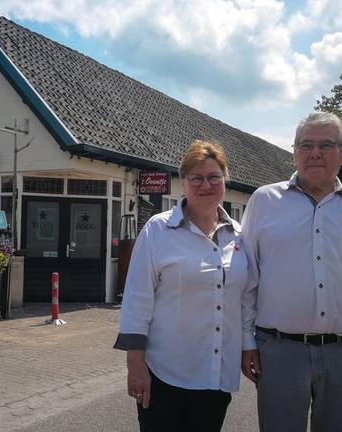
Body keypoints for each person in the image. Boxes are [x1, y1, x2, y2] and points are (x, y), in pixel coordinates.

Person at [240, 112, 342, 432]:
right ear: (294, 152)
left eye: (326, 145)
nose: (314, 153)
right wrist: (245, 340)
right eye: (305, 145)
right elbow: (247, 279)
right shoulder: (264, 201)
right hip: (279, 352)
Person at [114, 139, 249, 431]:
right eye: (196, 178)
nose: (205, 185)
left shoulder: (239, 236)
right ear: (183, 183)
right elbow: (138, 298)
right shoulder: (159, 230)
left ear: (225, 180)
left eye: (214, 177)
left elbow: (247, 300)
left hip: (216, 373)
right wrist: (135, 365)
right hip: (165, 372)